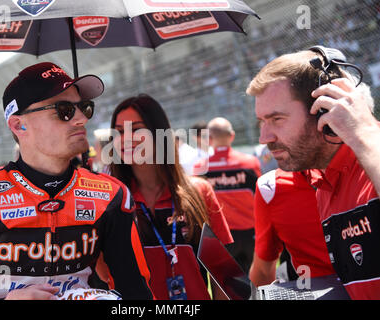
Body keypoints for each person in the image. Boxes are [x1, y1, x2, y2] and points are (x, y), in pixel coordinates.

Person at [0, 62, 152, 300]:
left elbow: (136, 294)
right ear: (19, 124)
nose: (81, 119)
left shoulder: (111, 194)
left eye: (84, 108)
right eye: (64, 110)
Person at [246, 45, 380, 299]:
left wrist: (365, 133)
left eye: (277, 119)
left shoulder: (371, 151)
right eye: (261, 122)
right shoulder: (324, 184)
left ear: (325, 110)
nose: (264, 137)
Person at [109, 94, 233, 300]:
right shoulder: (111, 199)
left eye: (137, 128)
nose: (126, 138)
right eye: (120, 132)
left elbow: (223, 277)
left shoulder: (200, 191)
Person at [193, 117, 261, 273]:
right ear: (232, 136)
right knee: (259, 284)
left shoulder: (200, 167)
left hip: (221, 237)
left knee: (224, 289)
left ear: (209, 139)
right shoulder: (250, 163)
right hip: (252, 233)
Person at [249, 168, 335, 287]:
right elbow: (263, 272)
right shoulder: (271, 187)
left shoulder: (271, 186)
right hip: (308, 288)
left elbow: (263, 272)